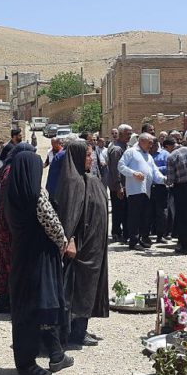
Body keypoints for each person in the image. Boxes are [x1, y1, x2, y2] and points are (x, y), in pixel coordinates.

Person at [4, 151, 76, 375]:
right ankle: (30, 362)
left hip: (21, 257)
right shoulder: (36, 197)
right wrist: (64, 243)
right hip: (41, 258)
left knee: (29, 307)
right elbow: (53, 226)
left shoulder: (11, 194)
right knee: (46, 304)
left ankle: (55, 353)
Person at [52, 141, 110, 348]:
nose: (91, 158)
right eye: (87, 155)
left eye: (91, 155)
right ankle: (72, 332)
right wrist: (72, 240)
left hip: (94, 247)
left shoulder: (89, 180)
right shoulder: (72, 183)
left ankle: (81, 328)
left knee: (89, 287)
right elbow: (68, 217)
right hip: (79, 250)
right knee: (77, 289)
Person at [0, 143, 37, 314]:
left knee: (5, 263)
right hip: (11, 223)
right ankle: (13, 300)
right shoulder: (14, 172)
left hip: (3, 220)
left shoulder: (7, 169)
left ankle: (4, 300)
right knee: (13, 262)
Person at [118, 132, 164, 250]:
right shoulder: (131, 152)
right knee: (134, 216)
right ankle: (134, 241)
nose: (151, 146)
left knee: (145, 216)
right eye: (149, 143)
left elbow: (155, 172)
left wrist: (165, 180)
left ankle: (143, 238)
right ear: (142, 141)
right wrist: (133, 173)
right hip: (135, 190)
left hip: (146, 190)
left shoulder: (148, 156)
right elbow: (121, 166)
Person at [107, 125, 132, 243]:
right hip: (119, 186)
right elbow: (115, 169)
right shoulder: (117, 149)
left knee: (125, 210)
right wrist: (119, 186)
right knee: (118, 210)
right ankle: (117, 233)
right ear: (121, 134)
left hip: (126, 185)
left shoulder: (125, 147)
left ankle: (125, 233)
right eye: (128, 134)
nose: (130, 136)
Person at [150, 138, 172, 243]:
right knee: (148, 211)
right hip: (148, 186)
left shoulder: (165, 154)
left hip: (161, 186)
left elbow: (169, 167)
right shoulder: (146, 154)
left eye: (151, 145)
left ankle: (161, 235)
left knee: (161, 211)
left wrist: (156, 169)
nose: (150, 147)